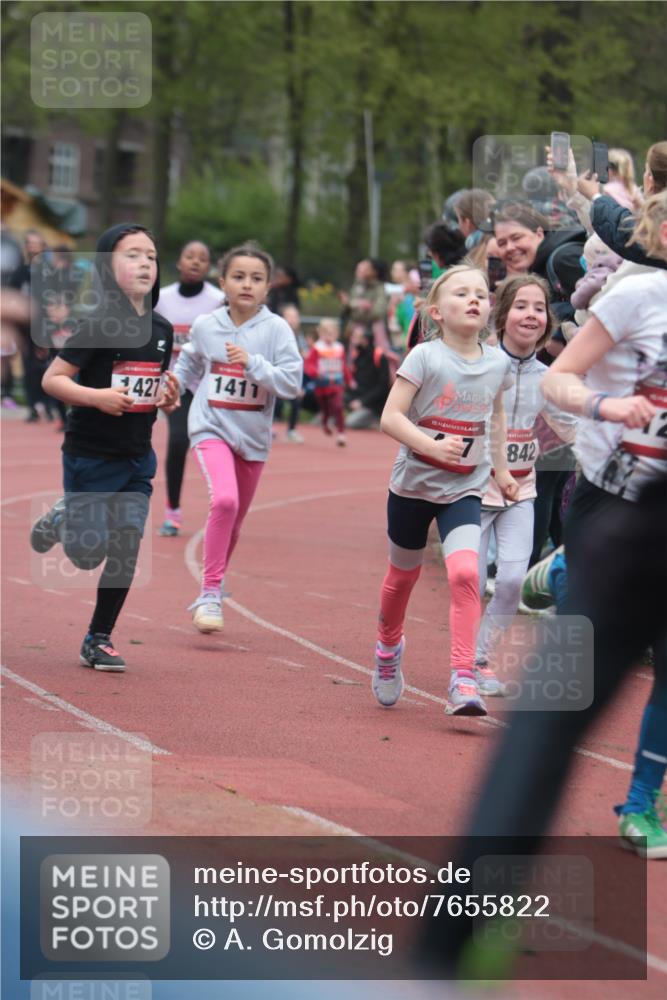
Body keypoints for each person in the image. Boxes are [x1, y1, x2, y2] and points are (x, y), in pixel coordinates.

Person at [537, 191, 667, 854]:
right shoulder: (633, 296)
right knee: (577, 670)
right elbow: (555, 379)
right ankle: (561, 568)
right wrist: (606, 405)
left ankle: (641, 804)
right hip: (608, 499)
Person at [29, 223, 180, 672]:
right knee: (86, 554)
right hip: (90, 455)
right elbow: (52, 379)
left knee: (127, 544)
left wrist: (168, 398)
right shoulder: (97, 324)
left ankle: (99, 638)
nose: (145, 264)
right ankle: (62, 517)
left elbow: (152, 387)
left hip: (136, 457)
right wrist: (96, 397)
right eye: (132, 255)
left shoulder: (161, 329)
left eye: (151, 256)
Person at [371, 264, 518, 717]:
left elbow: (495, 418)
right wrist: (431, 443)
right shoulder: (425, 357)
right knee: (403, 577)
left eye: (480, 293)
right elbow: (390, 418)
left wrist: (502, 470)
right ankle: (388, 649)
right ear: (437, 310)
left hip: (464, 489)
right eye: (461, 293)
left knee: (465, 575)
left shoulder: (498, 362)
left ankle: (462, 677)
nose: (474, 299)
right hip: (413, 487)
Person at [172, 243, 303, 633]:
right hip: (211, 426)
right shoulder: (207, 324)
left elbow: (292, 384)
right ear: (223, 282)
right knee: (224, 500)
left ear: (267, 287)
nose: (247, 284)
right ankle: (210, 591)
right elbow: (190, 361)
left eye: (257, 278)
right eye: (239, 276)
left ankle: (213, 584)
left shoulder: (277, 330)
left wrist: (254, 364)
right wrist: (176, 385)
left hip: (253, 437)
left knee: (235, 520)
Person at [475, 276, 576, 691]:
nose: (530, 315)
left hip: (520, 491)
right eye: (521, 306)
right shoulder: (479, 366)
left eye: (538, 308)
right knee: (471, 580)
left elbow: (572, 428)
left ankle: (480, 660)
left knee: (513, 580)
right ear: (501, 316)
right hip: (472, 492)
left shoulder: (548, 377)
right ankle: (464, 662)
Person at [156, 240, 223, 536]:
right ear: (179, 263)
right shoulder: (162, 298)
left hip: (212, 385)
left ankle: (225, 507)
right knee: (179, 440)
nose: (195, 262)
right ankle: (173, 511)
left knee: (224, 446)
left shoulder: (218, 299)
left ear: (209, 267)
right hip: (177, 382)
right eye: (189, 256)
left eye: (202, 258)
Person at [304, 317, 351, 446]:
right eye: (326, 333)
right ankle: (325, 423)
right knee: (325, 410)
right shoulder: (317, 348)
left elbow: (343, 366)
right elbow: (309, 365)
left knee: (338, 406)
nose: (329, 336)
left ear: (337, 334)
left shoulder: (339, 348)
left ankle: (341, 433)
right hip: (322, 385)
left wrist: (349, 379)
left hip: (336, 383)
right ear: (321, 333)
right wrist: (315, 372)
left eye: (332, 333)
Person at [344, 326, 391, 429]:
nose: (352, 339)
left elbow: (382, 387)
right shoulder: (357, 356)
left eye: (356, 337)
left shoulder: (379, 357)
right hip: (356, 400)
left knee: (349, 422)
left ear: (365, 340)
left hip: (373, 406)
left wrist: (362, 402)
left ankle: (375, 422)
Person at [274, 304, 308, 443]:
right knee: (275, 403)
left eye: (295, 316)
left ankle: (291, 430)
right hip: (277, 374)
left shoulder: (300, 337)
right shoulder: (277, 334)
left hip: (292, 377)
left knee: (295, 401)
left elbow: (303, 360)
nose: (293, 320)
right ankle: (267, 428)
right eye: (289, 316)